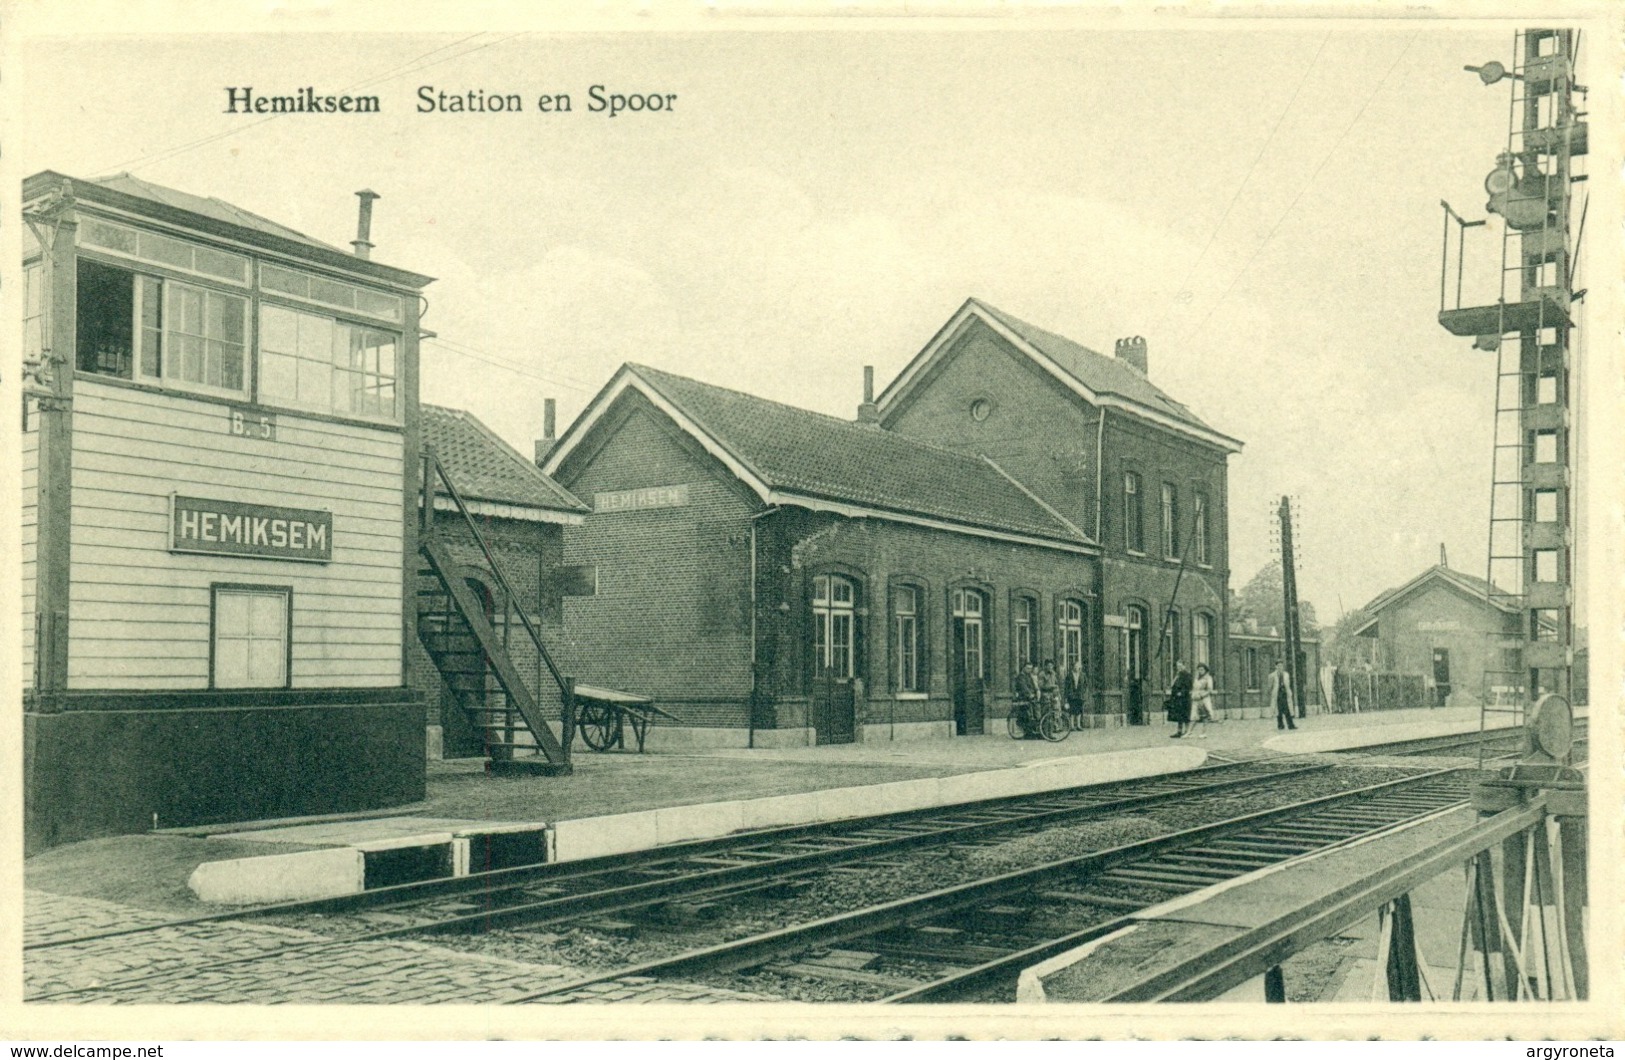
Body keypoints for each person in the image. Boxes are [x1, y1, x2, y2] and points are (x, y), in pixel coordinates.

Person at [1267, 658, 1297, 730]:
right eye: (1278, 666)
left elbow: (1288, 684)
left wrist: (1289, 692)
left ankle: (1291, 725)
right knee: (1279, 711)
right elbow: (1270, 686)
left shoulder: (1286, 675)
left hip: (1285, 694)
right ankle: (1280, 725)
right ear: (1276, 666)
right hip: (1277, 695)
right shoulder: (1272, 675)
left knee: (1287, 710)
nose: (1280, 667)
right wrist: (1272, 693)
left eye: (1281, 666)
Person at [1015, 662, 1042, 737]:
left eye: (1030, 668)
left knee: (1037, 709)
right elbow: (1023, 687)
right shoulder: (1021, 676)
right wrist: (1030, 694)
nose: (1029, 670)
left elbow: (1033, 685)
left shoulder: (1029, 676)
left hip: (1031, 696)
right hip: (1023, 697)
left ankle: (1036, 729)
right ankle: (1028, 731)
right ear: (1024, 668)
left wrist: (1037, 691)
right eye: (1028, 668)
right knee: (1028, 712)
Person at [1167, 660, 1193, 738]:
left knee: (1185, 715)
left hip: (1184, 699)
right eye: (1178, 666)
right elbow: (1173, 685)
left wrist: (1181, 693)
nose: (1179, 668)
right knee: (1179, 716)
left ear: (1184, 666)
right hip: (1177, 699)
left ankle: (1187, 731)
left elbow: (1189, 686)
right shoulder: (1178, 675)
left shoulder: (1187, 675)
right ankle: (1179, 731)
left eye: (1181, 666)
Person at [1191, 662, 1216, 737]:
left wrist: (1202, 696)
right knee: (1194, 715)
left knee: (1205, 715)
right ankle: (1190, 732)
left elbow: (1210, 690)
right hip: (1196, 698)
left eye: (1202, 669)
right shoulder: (1197, 678)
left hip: (1204, 699)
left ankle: (1203, 732)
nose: (1200, 671)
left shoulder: (1208, 678)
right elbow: (1194, 688)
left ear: (1205, 670)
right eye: (1199, 670)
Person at [1064, 660, 1086, 730]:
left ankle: (1078, 725)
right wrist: (1067, 695)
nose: (1077, 668)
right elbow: (1066, 686)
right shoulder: (1069, 675)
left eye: (1078, 666)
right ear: (1073, 667)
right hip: (1072, 694)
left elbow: (1086, 684)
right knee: (1072, 710)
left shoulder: (1083, 675)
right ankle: (1072, 726)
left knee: (1079, 710)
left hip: (1079, 694)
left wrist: (1084, 692)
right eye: (1075, 666)